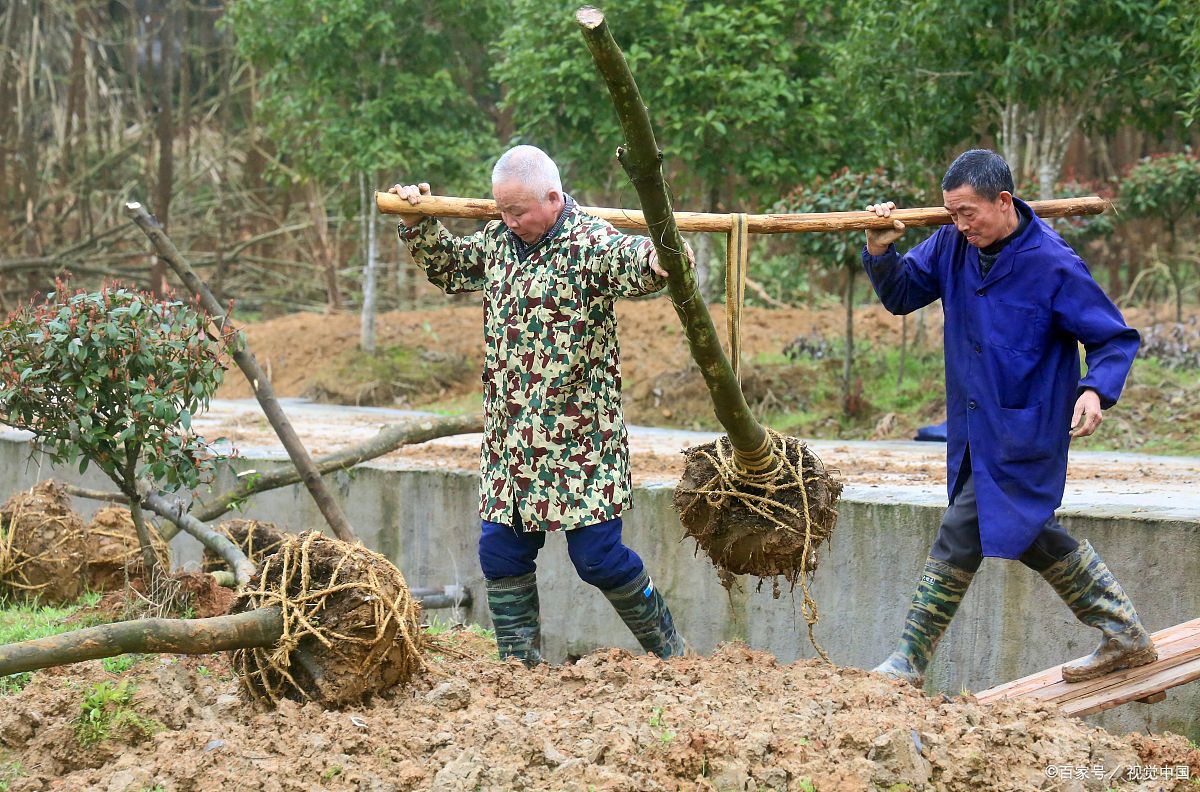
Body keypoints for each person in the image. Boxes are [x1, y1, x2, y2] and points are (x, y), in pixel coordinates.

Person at [861, 149, 1155, 686]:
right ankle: (1125, 632)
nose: (960, 223)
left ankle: (908, 660)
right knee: (1026, 530)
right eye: (951, 213)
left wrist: (1095, 391)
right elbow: (902, 294)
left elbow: (1113, 338)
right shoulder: (952, 245)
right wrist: (881, 249)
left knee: (961, 530)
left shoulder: (1053, 264)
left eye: (968, 212)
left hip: (1027, 428)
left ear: (1003, 201)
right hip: (975, 429)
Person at [389, 145, 688, 665]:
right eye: (501, 210)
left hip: (581, 444)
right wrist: (419, 222)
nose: (508, 221)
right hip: (512, 443)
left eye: (517, 211)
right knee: (500, 553)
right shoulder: (499, 242)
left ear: (553, 198)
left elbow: (635, 263)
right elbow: (452, 269)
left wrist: (663, 259)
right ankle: (518, 670)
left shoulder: (590, 242)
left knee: (596, 558)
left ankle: (673, 654)